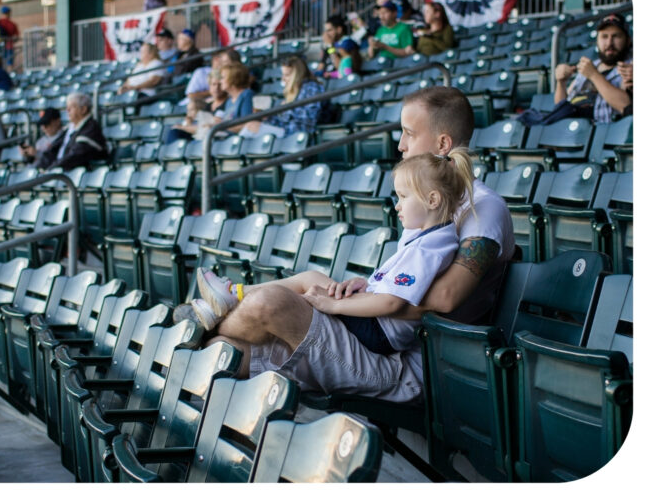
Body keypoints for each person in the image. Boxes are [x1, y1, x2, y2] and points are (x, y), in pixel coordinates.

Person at [172, 86, 514, 402]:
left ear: (442, 145)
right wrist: (368, 287)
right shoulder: (432, 202)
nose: (401, 145)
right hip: (380, 336)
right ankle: (223, 309)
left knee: (275, 303)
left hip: (408, 361)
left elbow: (443, 298)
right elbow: (414, 278)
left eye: (409, 133)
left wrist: (352, 301)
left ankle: (206, 319)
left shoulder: (482, 207)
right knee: (227, 345)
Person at [197, 148, 475, 361]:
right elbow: (396, 288)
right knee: (311, 279)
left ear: (433, 200)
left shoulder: (429, 248)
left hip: (379, 332)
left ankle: (231, 299)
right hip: (376, 323)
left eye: (403, 197)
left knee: (305, 297)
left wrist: (335, 306)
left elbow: (392, 304)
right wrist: (367, 285)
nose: (396, 206)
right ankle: (234, 294)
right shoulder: (427, 236)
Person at [554, 13, 632, 124]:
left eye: (616, 36)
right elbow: (560, 109)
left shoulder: (630, 68)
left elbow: (625, 106)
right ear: (597, 41)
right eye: (604, 36)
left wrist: (594, 75)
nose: (609, 43)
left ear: (628, 40)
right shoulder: (590, 65)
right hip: (571, 131)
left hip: (602, 133)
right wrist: (561, 82)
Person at [242, 56, 327, 137]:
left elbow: (308, 118)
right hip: (287, 130)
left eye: (287, 75)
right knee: (251, 125)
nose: (283, 79)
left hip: (298, 132)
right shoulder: (295, 91)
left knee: (252, 127)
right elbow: (284, 120)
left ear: (297, 75)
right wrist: (267, 117)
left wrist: (286, 108)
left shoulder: (311, 88)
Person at [34, 92, 108, 171]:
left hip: (75, 174)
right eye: (67, 107)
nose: (67, 110)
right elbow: (52, 151)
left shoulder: (91, 128)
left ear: (83, 109)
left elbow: (74, 156)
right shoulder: (70, 128)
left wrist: (50, 169)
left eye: (71, 107)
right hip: (60, 171)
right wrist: (39, 168)